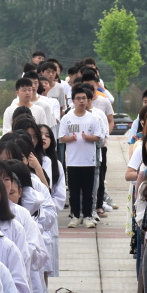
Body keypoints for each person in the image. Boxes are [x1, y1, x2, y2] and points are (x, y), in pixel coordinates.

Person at [58, 85, 104, 229]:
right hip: (72, 162)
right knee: (74, 191)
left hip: (88, 161)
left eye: (84, 98)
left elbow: (98, 137)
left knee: (88, 190)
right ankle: (75, 216)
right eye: (78, 98)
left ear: (88, 100)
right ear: (73, 100)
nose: (81, 101)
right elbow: (61, 138)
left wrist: (87, 137)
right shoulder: (67, 118)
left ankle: (88, 216)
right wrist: (70, 138)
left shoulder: (93, 118)